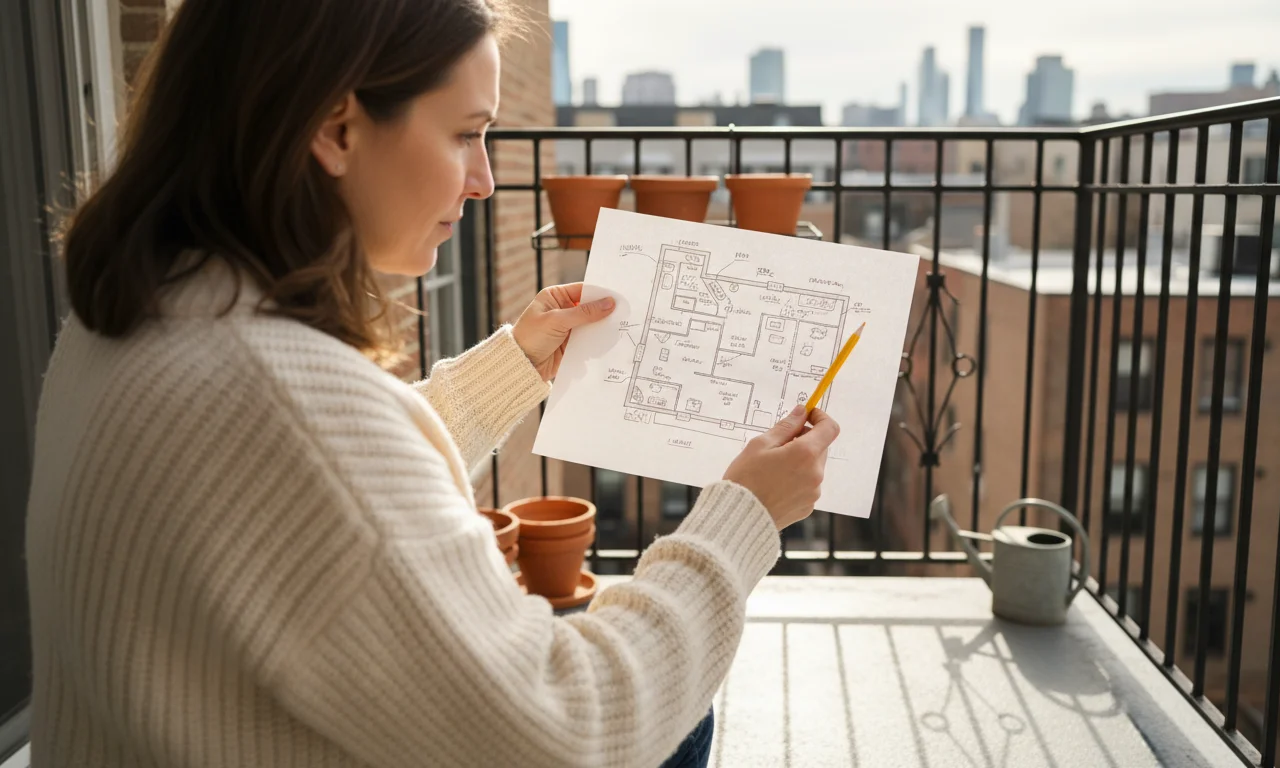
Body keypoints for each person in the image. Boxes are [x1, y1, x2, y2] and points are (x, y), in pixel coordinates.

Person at [23, 0, 840, 766]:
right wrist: (744, 518)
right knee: (674, 705)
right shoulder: (283, 399)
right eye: (464, 134)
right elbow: (572, 728)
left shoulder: (139, 312)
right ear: (338, 127)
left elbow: (306, 508)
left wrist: (512, 365)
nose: (483, 181)